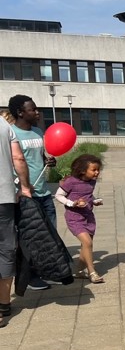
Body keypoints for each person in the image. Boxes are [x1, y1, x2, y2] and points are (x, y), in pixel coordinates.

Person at [9, 95, 57, 290]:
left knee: (50, 234)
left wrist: (50, 161)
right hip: (26, 195)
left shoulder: (38, 132)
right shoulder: (11, 134)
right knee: (31, 237)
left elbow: (41, 158)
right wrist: (21, 188)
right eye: (33, 109)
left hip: (45, 193)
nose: (37, 113)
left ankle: (46, 271)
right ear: (20, 112)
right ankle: (30, 277)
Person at [0, 117, 32, 327]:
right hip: (3, 198)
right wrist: (25, 187)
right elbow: (18, 158)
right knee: (6, 249)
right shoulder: (3, 125)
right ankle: (3, 304)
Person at [55, 154, 105, 283]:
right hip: (74, 218)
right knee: (88, 243)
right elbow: (58, 195)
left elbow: (88, 195)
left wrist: (94, 201)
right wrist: (72, 203)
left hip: (88, 216)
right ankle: (92, 272)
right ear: (83, 170)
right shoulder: (71, 181)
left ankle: (78, 271)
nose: (97, 172)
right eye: (93, 170)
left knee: (85, 245)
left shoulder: (92, 182)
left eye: (98, 169)